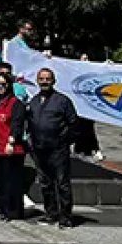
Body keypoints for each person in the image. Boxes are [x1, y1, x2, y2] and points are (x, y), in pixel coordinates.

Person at [27, 67, 78, 228]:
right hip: (39, 149)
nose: (44, 82)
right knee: (45, 183)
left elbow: (74, 125)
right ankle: (51, 213)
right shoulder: (34, 101)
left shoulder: (63, 101)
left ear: (53, 81)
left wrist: (64, 141)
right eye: (41, 79)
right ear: (37, 81)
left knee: (62, 183)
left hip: (58, 150)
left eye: (47, 79)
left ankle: (66, 217)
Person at [0, 73, 27, 221]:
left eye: (3, 84)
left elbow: (17, 123)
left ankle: (13, 212)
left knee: (12, 182)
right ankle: (3, 209)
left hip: (11, 149)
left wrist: (12, 141)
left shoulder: (16, 103)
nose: (0, 87)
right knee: (1, 181)